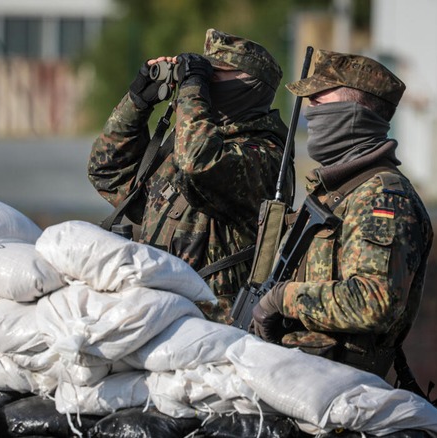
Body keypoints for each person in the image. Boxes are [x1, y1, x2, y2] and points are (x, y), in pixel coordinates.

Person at [88, 29, 293, 322]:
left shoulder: (264, 155)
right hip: (158, 308)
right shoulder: (190, 140)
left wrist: (192, 87)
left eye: (215, 74)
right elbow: (106, 172)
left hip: (212, 321)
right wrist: (137, 103)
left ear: (249, 85)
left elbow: (198, 162)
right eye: (203, 74)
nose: (206, 83)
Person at [252, 49, 434, 379]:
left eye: (319, 101)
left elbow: (373, 302)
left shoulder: (382, 197)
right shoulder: (338, 191)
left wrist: (282, 299)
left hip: (339, 387)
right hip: (301, 375)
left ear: (353, 111)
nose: (310, 112)